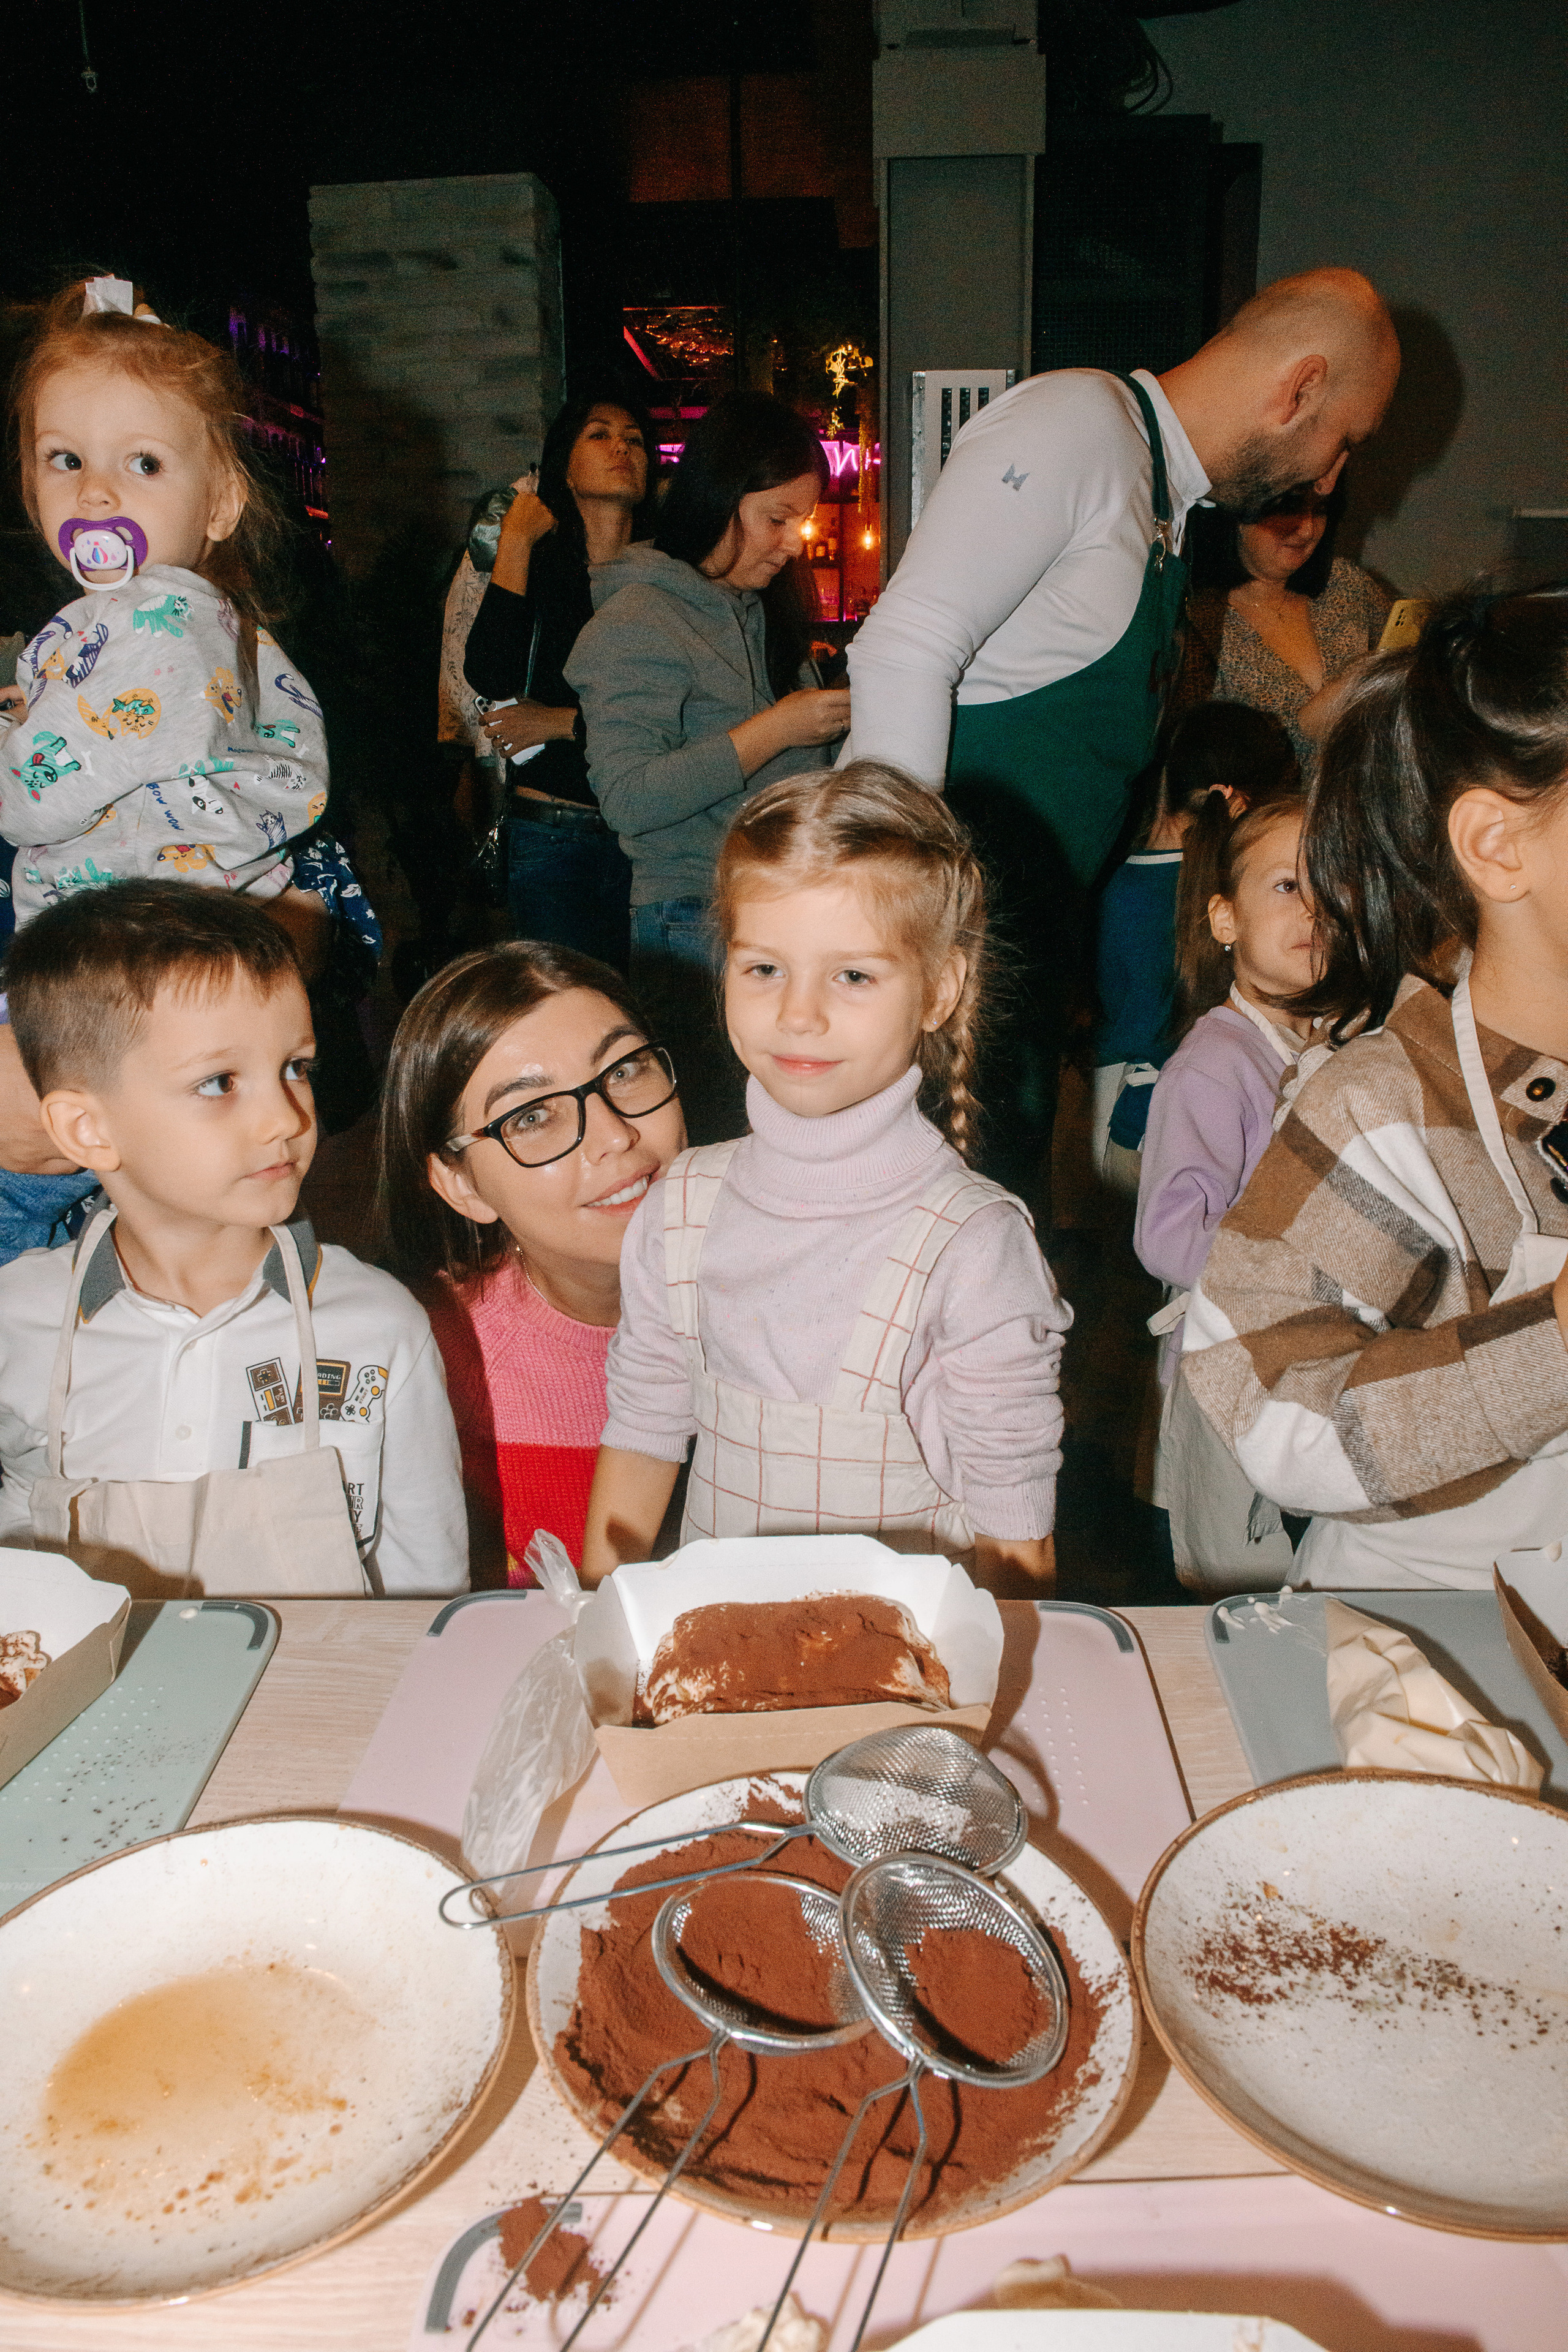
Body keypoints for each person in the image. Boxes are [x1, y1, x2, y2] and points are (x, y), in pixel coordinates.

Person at [842, 268, 1400, 1197]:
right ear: (1300, 388)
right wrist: (888, 957)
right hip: (947, 970)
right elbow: (902, 651)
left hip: (1015, 959)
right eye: (1344, 443)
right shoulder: (1075, 426)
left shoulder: (1162, 500)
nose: (1329, 479)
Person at [580, 762, 1071, 1593]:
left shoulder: (973, 1246)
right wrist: (601, 1625)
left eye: (853, 975)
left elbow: (1016, 1537)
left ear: (938, 991)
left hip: (904, 1683)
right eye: (764, 969)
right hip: (716, 1662)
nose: (798, 1013)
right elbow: (643, 1426)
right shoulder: (683, 1203)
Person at [1182, 584, 1568, 1589]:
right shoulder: (1385, 1107)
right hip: (1430, 1653)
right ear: (1496, 844)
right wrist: (1551, 1341)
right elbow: (1269, 1404)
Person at [0, 275, 377, 1256]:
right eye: (65, 459)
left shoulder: (155, 621)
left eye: (144, 463)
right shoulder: (196, 623)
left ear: (220, 502)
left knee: (39, 1221)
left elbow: (34, 800)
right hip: (177, 960)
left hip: (119, 965)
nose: (95, 492)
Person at [0, 883, 466, 1597]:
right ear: (88, 1130)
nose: (284, 1117)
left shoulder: (381, 1325)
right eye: (219, 1082)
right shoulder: (16, 1321)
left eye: (295, 1069)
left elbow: (428, 1587)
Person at [566, 393, 851, 1142]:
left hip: (774, 914)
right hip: (690, 918)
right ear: (721, 495)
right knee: (719, 1147)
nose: (793, 543)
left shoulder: (754, 608)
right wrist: (774, 728)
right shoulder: (638, 618)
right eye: (777, 518)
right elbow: (628, 798)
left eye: (803, 521)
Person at [375, 941, 686, 1583]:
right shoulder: (427, 1371)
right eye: (533, 1115)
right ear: (461, 1185)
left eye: (626, 1071)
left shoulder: (814, 1285)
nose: (615, 1136)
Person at [1133, 785, 1316, 1592]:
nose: (1317, 907)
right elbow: (1168, 1235)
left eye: (1338, 886)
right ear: (1224, 920)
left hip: (1307, 1367)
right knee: (1239, 1582)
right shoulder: (1217, 1066)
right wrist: (1311, 1258)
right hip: (1229, 1375)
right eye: (1287, 885)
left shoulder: (1341, 1048)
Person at [463, 390, 661, 970]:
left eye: (634, 439)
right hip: (553, 833)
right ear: (563, 464)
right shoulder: (544, 565)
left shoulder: (665, 579)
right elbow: (490, 670)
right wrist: (518, 542)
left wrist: (558, 720)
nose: (621, 447)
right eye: (599, 434)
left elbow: (677, 712)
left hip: (649, 837)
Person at [1092, 702, 1297, 1190]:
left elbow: (1122, 1018)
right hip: (1209, 1120)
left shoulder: (1119, 886)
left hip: (1133, 1119)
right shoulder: (1252, 890)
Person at [1176, 480, 1392, 763]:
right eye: (1289, 508)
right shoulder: (1197, 619)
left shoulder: (1345, 584)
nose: (1308, 529)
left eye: (1321, 510)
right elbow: (1188, 762)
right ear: (1238, 512)